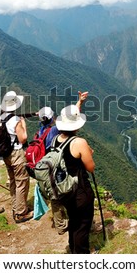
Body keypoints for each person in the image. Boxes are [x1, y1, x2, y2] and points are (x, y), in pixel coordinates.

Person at [35, 91, 89, 235]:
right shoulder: (54, 130)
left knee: (55, 197)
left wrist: (80, 102)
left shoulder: (41, 130)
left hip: (46, 166)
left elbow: (68, 119)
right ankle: (67, 224)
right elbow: (70, 122)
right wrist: (79, 104)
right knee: (62, 194)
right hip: (57, 167)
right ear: (52, 118)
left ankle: (60, 224)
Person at [55, 104, 95, 254]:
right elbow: (90, 167)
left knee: (74, 220)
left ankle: (73, 248)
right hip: (80, 190)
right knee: (83, 225)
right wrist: (90, 153)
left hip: (65, 190)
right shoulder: (79, 142)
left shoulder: (56, 140)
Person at [0, 90, 31, 223]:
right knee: (22, 182)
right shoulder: (16, 120)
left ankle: (16, 206)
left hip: (6, 154)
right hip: (17, 153)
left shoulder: (0, 118)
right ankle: (21, 213)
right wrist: (23, 125)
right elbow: (23, 139)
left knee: (13, 181)